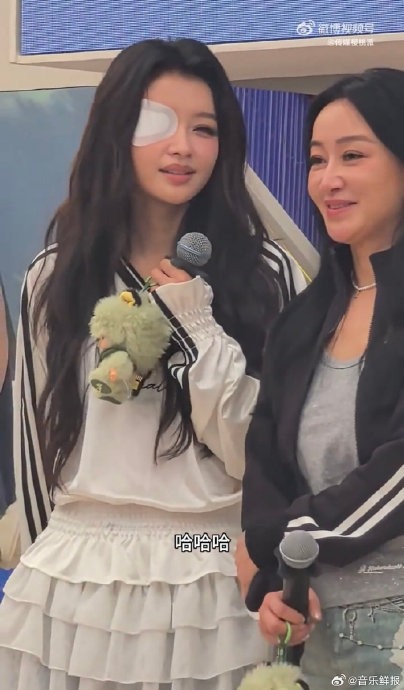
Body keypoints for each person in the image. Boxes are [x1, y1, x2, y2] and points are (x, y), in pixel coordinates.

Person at [0, 38, 305, 689]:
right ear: (116, 129)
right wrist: (42, 571)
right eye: (156, 123)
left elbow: (271, 452)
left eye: (205, 129)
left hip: (213, 569)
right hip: (75, 581)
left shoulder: (265, 273)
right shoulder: (54, 277)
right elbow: (35, 448)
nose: (182, 147)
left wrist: (194, 323)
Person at [240, 67, 404, 689]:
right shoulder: (301, 320)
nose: (328, 179)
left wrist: (287, 538)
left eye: (353, 156)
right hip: (316, 640)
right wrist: (272, 583)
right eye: (316, 159)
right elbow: (266, 469)